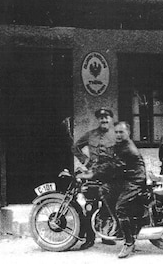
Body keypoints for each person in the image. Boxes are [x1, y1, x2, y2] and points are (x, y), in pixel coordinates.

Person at [79, 121, 147, 259]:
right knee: (104, 190)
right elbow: (108, 160)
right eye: (116, 132)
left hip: (135, 180)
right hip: (125, 178)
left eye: (121, 132)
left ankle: (129, 242)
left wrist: (91, 174)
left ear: (128, 133)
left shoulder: (128, 148)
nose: (118, 135)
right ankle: (118, 224)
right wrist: (92, 168)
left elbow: (113, 166)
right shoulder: (119, 145)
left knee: (120, 207)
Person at [71, 107, 116, 249]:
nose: (104, 119)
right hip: (94, 174)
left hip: (110, 175)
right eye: (101, 117)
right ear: (98, 119)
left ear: (110, 119)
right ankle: (89, 239)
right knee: (91, 206)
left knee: (109, 205)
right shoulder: (91, 135)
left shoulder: (116, 135)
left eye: (106, 117)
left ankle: (106, 234)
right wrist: (85, 161)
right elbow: (75, 147)